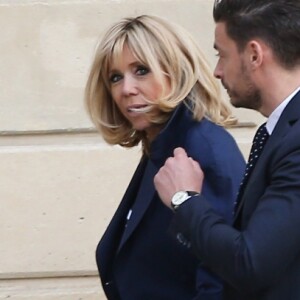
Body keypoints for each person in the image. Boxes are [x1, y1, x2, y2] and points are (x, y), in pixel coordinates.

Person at [85, 14, 245, 300]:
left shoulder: (203, 149)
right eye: (115, 77)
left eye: (142, 70)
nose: (126, 89)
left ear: (177, 71)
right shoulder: (161, 146)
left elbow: (224, 279)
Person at [154, 1, 300, 300]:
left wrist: (184, 199)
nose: (217, 71)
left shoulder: (295, 140)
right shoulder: (280, 132)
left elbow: (251, 262)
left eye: (222, 54)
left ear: (255, 55)